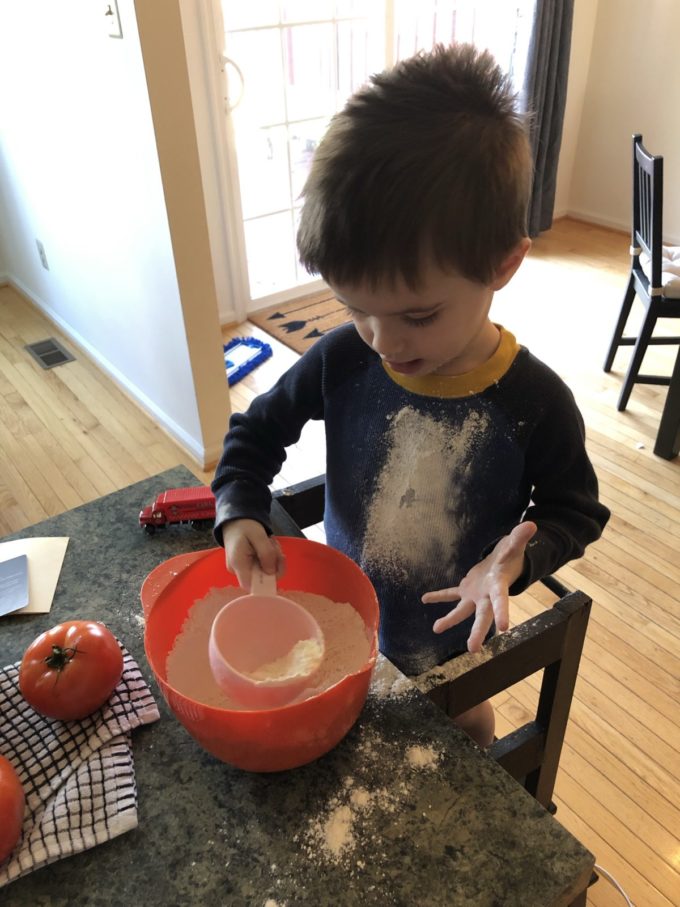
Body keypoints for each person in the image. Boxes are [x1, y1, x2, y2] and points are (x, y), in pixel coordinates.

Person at [211, 43, 610, 747]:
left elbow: (575, 509)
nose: (383, 340)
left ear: (503, 264)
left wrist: (517, 558)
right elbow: (256, 432)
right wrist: (238, 504)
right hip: (344, 624)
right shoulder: (342, 358)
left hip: (447, 649)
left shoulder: (535, 402)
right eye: (354, 307)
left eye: (417, 315)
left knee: (458, 733)